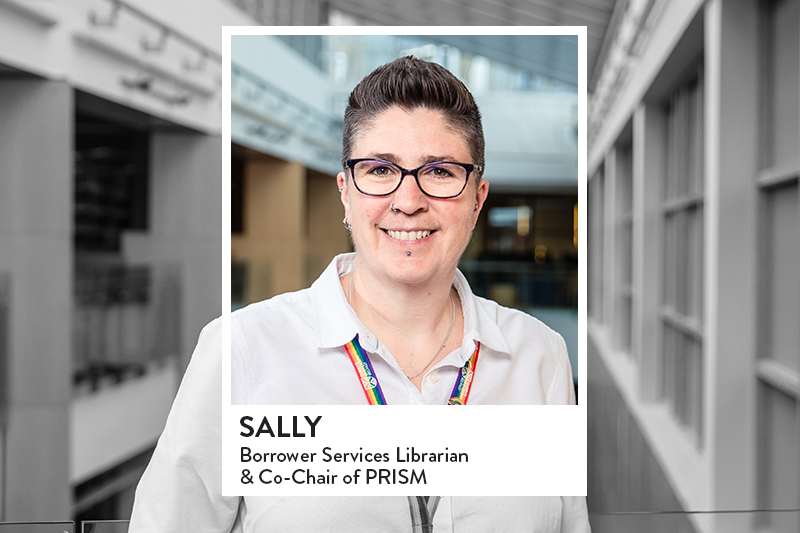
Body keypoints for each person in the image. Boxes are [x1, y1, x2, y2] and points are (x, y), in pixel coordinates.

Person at [129, 57, 587, 531]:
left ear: (477, 200)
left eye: (441, 172)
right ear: (346, 193)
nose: (408, 201)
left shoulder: (540, 356)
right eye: (380, 169)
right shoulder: (243, 351)